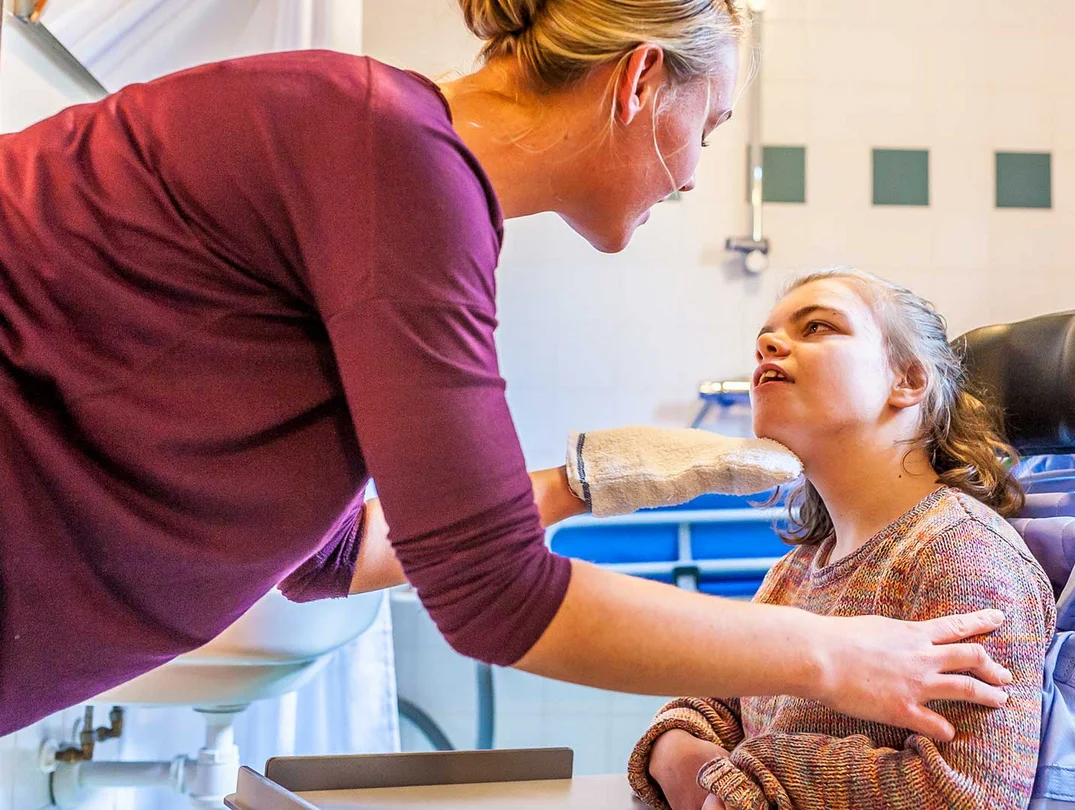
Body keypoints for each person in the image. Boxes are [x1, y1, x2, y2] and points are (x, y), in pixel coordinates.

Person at [0, 2, 1012, 735]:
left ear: (911, 386)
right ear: (639, 80)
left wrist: (582, 485)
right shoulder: (390, 157)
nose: (698, 172)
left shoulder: (392, 164)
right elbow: (492, 596)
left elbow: (324, 556)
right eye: (705, 128)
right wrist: (841, 655)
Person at [628, 270, 1057, 810]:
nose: (767, 344)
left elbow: (965, 797)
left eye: (818, 326)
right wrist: (684, 759)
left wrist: (751, 779)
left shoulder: (963, 556)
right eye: (767, 335)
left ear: (907, 381)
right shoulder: (798, 570)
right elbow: (708, 707)